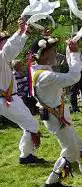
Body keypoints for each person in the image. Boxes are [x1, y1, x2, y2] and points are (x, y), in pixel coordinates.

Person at [29, 36, 82, 187]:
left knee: (77, 142)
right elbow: (73, 76)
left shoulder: (40, 70)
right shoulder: (45, 76)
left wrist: (70, 52)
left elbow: (68, 73)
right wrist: (74, 54)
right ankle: (52, 181)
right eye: (52, 50)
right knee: (70, 150)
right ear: (44, 55)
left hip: (58, 114)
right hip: (56, 117)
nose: (55, 53)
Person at [0, 19, 45, 165]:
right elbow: (10, 47)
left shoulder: (3, 58)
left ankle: (26, 155)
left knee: (29, 124)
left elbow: (13, 48)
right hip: (7, 100)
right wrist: (22, 32)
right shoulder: (1, 56)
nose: (6, 44)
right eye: (3, 42)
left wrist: (25, 32)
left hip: (11, 99)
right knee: (32, 125)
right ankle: (26, 156)